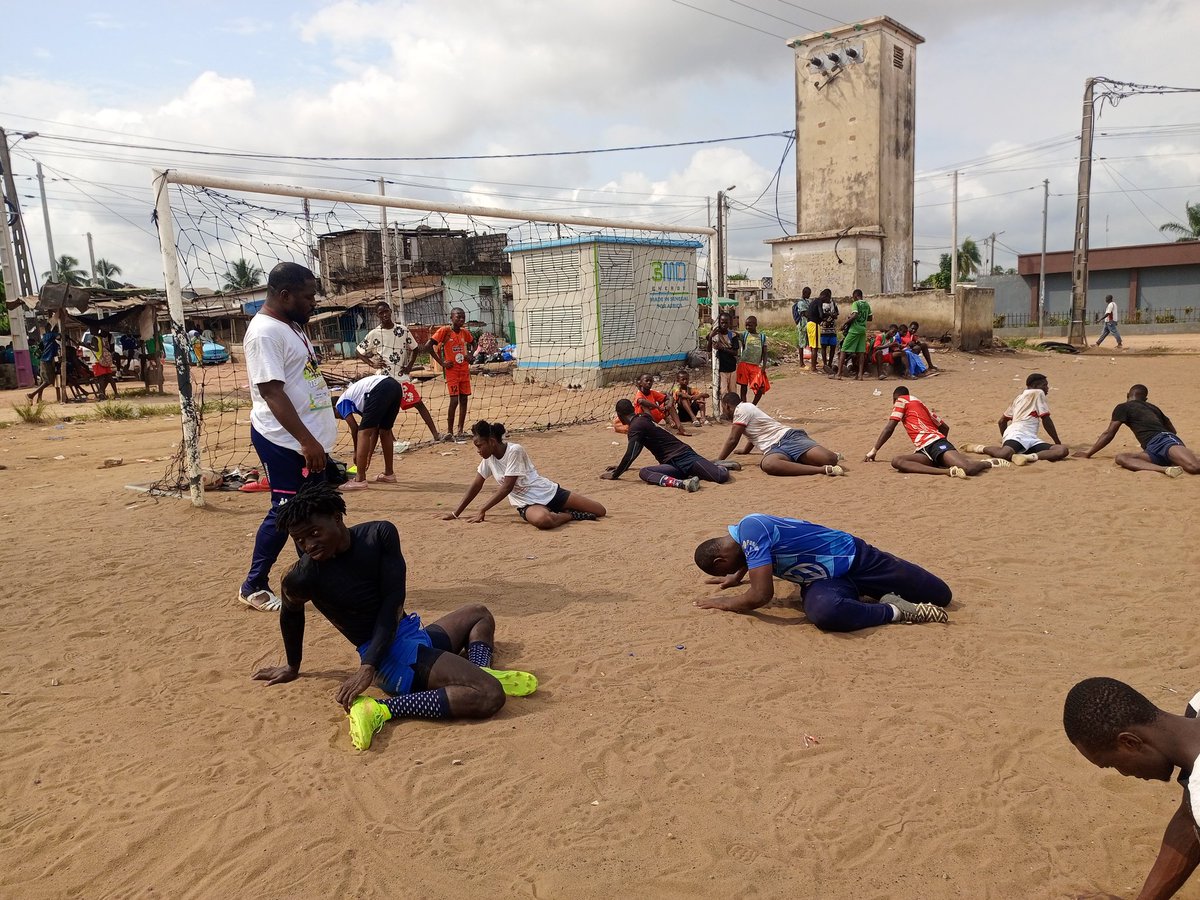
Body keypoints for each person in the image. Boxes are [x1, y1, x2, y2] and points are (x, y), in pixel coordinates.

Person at [253, 483, 536, 752]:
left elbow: (392, 603)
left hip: (408, 635)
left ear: (337, 518)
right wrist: (293, 665)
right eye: (299, 540)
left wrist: (367, 665)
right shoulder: (302, 578)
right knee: (489, 694)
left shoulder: (379, 536)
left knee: (478, 613)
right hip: (390, 661)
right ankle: (381, 709)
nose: (308, 545)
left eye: (314, 533)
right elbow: (291, 614)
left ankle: (479, 668)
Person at [237, 262, 338, 613]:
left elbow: (300, 379)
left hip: (308, 440)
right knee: (286, 511)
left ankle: (317, 576)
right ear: (284, 295)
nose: (313, 302)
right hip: (284, 441)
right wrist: (307, 441)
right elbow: (272, 392)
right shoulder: (265, 332)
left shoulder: (292, 325)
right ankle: (253, 584)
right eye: (308, 296)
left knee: (314, 510)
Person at [1063, 677, 1200, 898]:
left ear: (1130, 742)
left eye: (1113, 764)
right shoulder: (1196, 707)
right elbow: (1190, 818)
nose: (1124, 774)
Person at [692, 514, 950, 630]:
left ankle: (880, 593)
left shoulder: (751, 527)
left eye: (728, 567)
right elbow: (751, 557)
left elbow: (761, 595)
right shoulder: (745, 542)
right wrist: (735, 576)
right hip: (822, 580)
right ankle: (895, 610)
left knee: (941, 595)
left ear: (719, 560)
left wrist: (725, 603)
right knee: (826, 613)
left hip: (859, 559)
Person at [444, 420, 606, 529]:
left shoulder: (515, 450)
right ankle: (569, 515)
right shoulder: (489, 458)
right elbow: (476, 485)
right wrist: (456, 513)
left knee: (600, 510)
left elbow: (507, 487)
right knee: (543, 521)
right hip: (526, 503)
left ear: (492, 441)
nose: (478, 450)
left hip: (546, 491)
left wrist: (482, 509)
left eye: (479, 446)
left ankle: (557, 508)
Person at [354, 300, 441, 442]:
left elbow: (415, 349)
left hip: (401, 377)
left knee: (418, 403)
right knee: (384, 411)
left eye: (386, 311)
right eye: (380, 313)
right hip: (383, 379)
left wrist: (409, 366)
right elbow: (359, 351)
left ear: (390, 311)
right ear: (377, 315)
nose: (384, 315)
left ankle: (436, 434)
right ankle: (392, 442)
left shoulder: (403, 330)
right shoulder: (374, 333)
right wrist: (372, 363)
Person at [601, 398, 733, 491]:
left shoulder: (636, 426)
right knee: (645, 472)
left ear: (619, 415)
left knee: (720, 477)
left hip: (684, 456)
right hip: (671, 464)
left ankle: (718, 465)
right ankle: (682, 484)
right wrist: (622, 467)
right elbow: (636, 450)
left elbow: (630, 454)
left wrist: (615, 474)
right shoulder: (641, 420)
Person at [1074, 383, 1199, 477]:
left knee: (1194, 467)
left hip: (1164, 440)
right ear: (1145, 399)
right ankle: (1166, 469)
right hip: (1151, 448)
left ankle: (1174, 461)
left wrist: (1088, 453)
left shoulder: (1123, 407)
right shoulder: (1153, 407)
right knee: (1122, 458)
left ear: (1127, 395)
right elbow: (1173, 429)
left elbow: (1109, 433)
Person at [865, 386, 991, 478]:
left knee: (968, 468)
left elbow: (889, 428)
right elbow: (944, 427)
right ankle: (947, 471)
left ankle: (986, 463)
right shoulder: (921, 405)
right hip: (924, 449)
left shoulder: (901, 400)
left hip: (935, 443)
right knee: (897, 461)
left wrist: (874, 450)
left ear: (894, 399)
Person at [715, 392, 845, 477]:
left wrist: (718, 461)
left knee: (831, 459)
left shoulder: (742, 409)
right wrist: (745, 451)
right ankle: (821, 470)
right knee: (769, 464)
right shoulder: (746, 410)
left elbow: (733, 439)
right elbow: (756, 433)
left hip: (788, 437)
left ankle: (811, 459)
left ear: (727, 406)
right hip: (774, 449)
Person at [964, 373, 1069, 465]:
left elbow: (1002, 421)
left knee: (1062, 450)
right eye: (1044, 385)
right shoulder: (1038, 393)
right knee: (1004, 454)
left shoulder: (1018, 398)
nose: (1047, 388)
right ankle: (979, 448)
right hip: (1017, 433)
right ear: (1036, 386)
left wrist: (1005, 438)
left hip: (1030, 437)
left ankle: (1025, 457)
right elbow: (1046, 419)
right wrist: (1057, 441)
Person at [334, 373, 407, 490]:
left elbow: (355, 428)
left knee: (362, 432)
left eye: (337, 416)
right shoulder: (360, 402)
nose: (341, 418)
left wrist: (356, 452)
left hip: (380, 388)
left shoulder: (340, 403)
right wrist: (368, 455)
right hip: (395, 386)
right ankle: (389, 474)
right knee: (385, 431)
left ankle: (360, 479)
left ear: (334, 408)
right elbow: (374, 431)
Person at [425, 307, 475, 442]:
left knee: (464, 399)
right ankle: (450, 431)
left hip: (464, 370)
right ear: (451, 318)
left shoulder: (465, 332)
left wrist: (470, 355)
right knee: (454, 400)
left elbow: (473, 343)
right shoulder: (445, 331)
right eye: (458, 317)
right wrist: (442, 362)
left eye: (463, 317)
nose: (461, 319)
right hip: (452, 371)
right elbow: (428, 346)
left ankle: (460, 430)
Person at [834, 289, 872, 380]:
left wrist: (845, 323)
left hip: (854, 330)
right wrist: (862, 318)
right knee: (861, 353)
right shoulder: (867, 304)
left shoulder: (856, 304)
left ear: (855, 296)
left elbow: (855, 315)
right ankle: (860, 375)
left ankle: (838, 374)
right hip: (862, 330)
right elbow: (870, 318)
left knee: (843, 350)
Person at [706, 314, 741, 411]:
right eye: (722, 323)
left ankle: (734, 412)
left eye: (726, 323)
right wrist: (710, 337)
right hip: (721, 369)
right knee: (723, 392)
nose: (724, 325)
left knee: (733, 392)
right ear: (719, 323)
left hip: (732, 368)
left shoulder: (732, 336)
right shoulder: (715, 335)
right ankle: (725, 412)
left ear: (729, 323)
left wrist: (723, 348)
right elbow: (708, 349)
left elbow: (735, 352)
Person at [736, 315, 771, 404]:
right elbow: (735, 334)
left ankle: (753, 406)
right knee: (743, 387)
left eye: (750, 325)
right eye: (746, 325)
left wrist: (763, 366)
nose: (748, 327)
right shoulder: (745, 335)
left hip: (755, 365)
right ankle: (744, 405)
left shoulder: (762, 337)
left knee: (760, 387)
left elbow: (765, 352)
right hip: (744, 364)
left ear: (756, 325)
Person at [27, 324, 61, 403]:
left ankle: (39, 399)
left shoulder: (45, 337)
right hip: (47, 360)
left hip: (43, 360)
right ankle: (31, 395)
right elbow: (60, 336)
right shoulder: (50, 335)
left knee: (43, 381)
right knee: (48, 381)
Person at [815, 289, 840, 372]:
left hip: (832, 329)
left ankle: (830, 364)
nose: (829, 298)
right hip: (823, 329)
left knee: (833, 347)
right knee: (824, 347)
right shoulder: (820, 304)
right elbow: (819, 315)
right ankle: (825, 364)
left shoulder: (833, 303)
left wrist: (833, 316)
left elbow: (837, 314)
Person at [791, 286, 812, 353]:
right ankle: (801, 361)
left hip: (808, 324)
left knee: (810, 341)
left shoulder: (807, 302)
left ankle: (812, 358)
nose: (809, 295)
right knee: (801, 342)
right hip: (802, 324)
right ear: (804, 293)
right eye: (808, 294)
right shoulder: (801, 303)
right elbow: (805, 313)